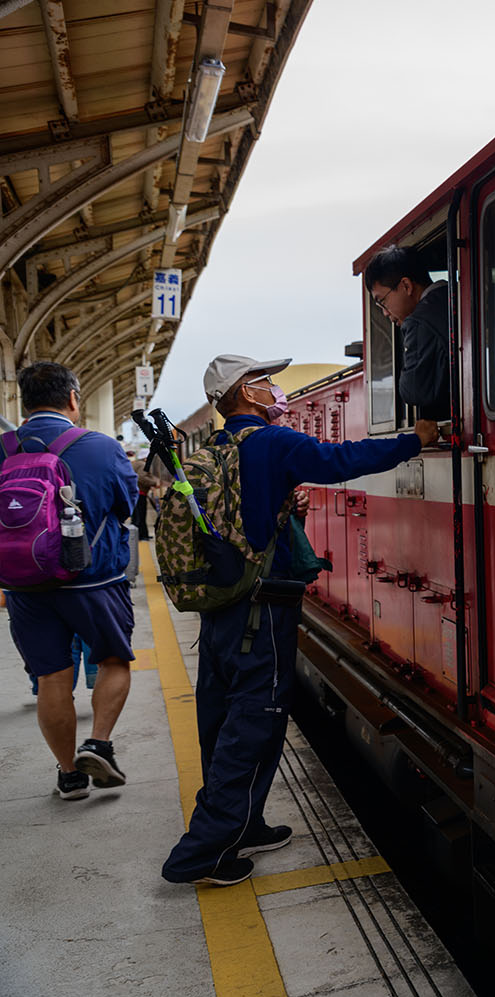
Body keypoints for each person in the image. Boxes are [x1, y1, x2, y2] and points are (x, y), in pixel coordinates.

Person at [161, 354, 438, 887]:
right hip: (261, 612)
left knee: (222, 720)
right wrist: (415, 439)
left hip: (222, 609)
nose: (275, 389)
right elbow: (341, 460)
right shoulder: (270, 443)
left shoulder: (220, 450)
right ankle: (201, 853)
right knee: (254, 721)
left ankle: (248, 824)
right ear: (245, 393)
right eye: (265, 381)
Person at [1, 362, 136, 800]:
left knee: (52, 678)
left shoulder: (3, 447)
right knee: (113, 660)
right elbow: (126, 503)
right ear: (74, 398)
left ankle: (69, 776)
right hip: (92, 581)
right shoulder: (99, 446)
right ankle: (98, 743)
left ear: (23, 401)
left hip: (24, 587)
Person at [363, 245, 450, 420]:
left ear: (406, 285)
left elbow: (414, 391)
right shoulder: (454, 297)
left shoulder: (418, 322)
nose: (385, 313)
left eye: (382, 302)